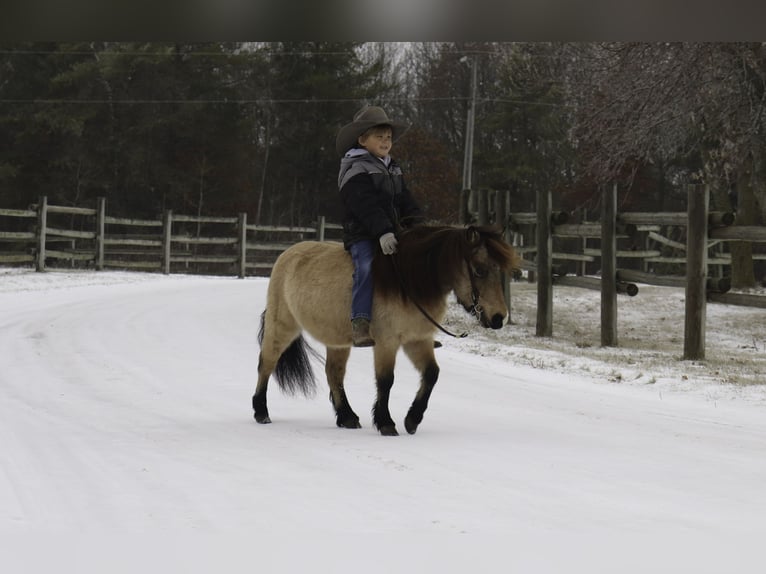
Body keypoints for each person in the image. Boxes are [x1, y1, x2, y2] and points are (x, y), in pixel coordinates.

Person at [336, 105, 424, 347]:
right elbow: (365, 205)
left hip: (392, 231)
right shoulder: (354, 169)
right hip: (363, 233)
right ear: (363, 140)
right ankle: (360, 322)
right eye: (379, 137)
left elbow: (405, 200)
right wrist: (383, 231)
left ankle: (413, 324)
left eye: (388, 137)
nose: (386, 141)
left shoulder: (393, 167)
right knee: (366, 267)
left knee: (415, 266)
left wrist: (419, 226)